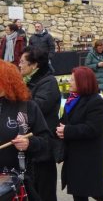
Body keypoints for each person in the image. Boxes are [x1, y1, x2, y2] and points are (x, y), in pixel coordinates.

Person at [56, 67, 103, 201]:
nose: (69, 82)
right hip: (74, 154)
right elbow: (65, 121)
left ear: (83, 82)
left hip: (88, 155)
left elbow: (93, 129)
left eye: (72, 80)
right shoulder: (72, 99)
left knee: (96, 190)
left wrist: (67, 131)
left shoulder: (95, 101)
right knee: (78, 191)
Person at [0, 59, 51, 201]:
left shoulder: (27, 107)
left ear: (7, 82)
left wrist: (30, 143)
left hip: (15, 185)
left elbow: (46, 142)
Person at [19, 46, 60, 201]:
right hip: (31, 147)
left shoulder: (48, 82)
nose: (19, 65)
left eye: (23, 62)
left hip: (43, 145)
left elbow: (37, 108)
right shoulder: (29, 81)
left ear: (34, 65)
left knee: (44, 192)